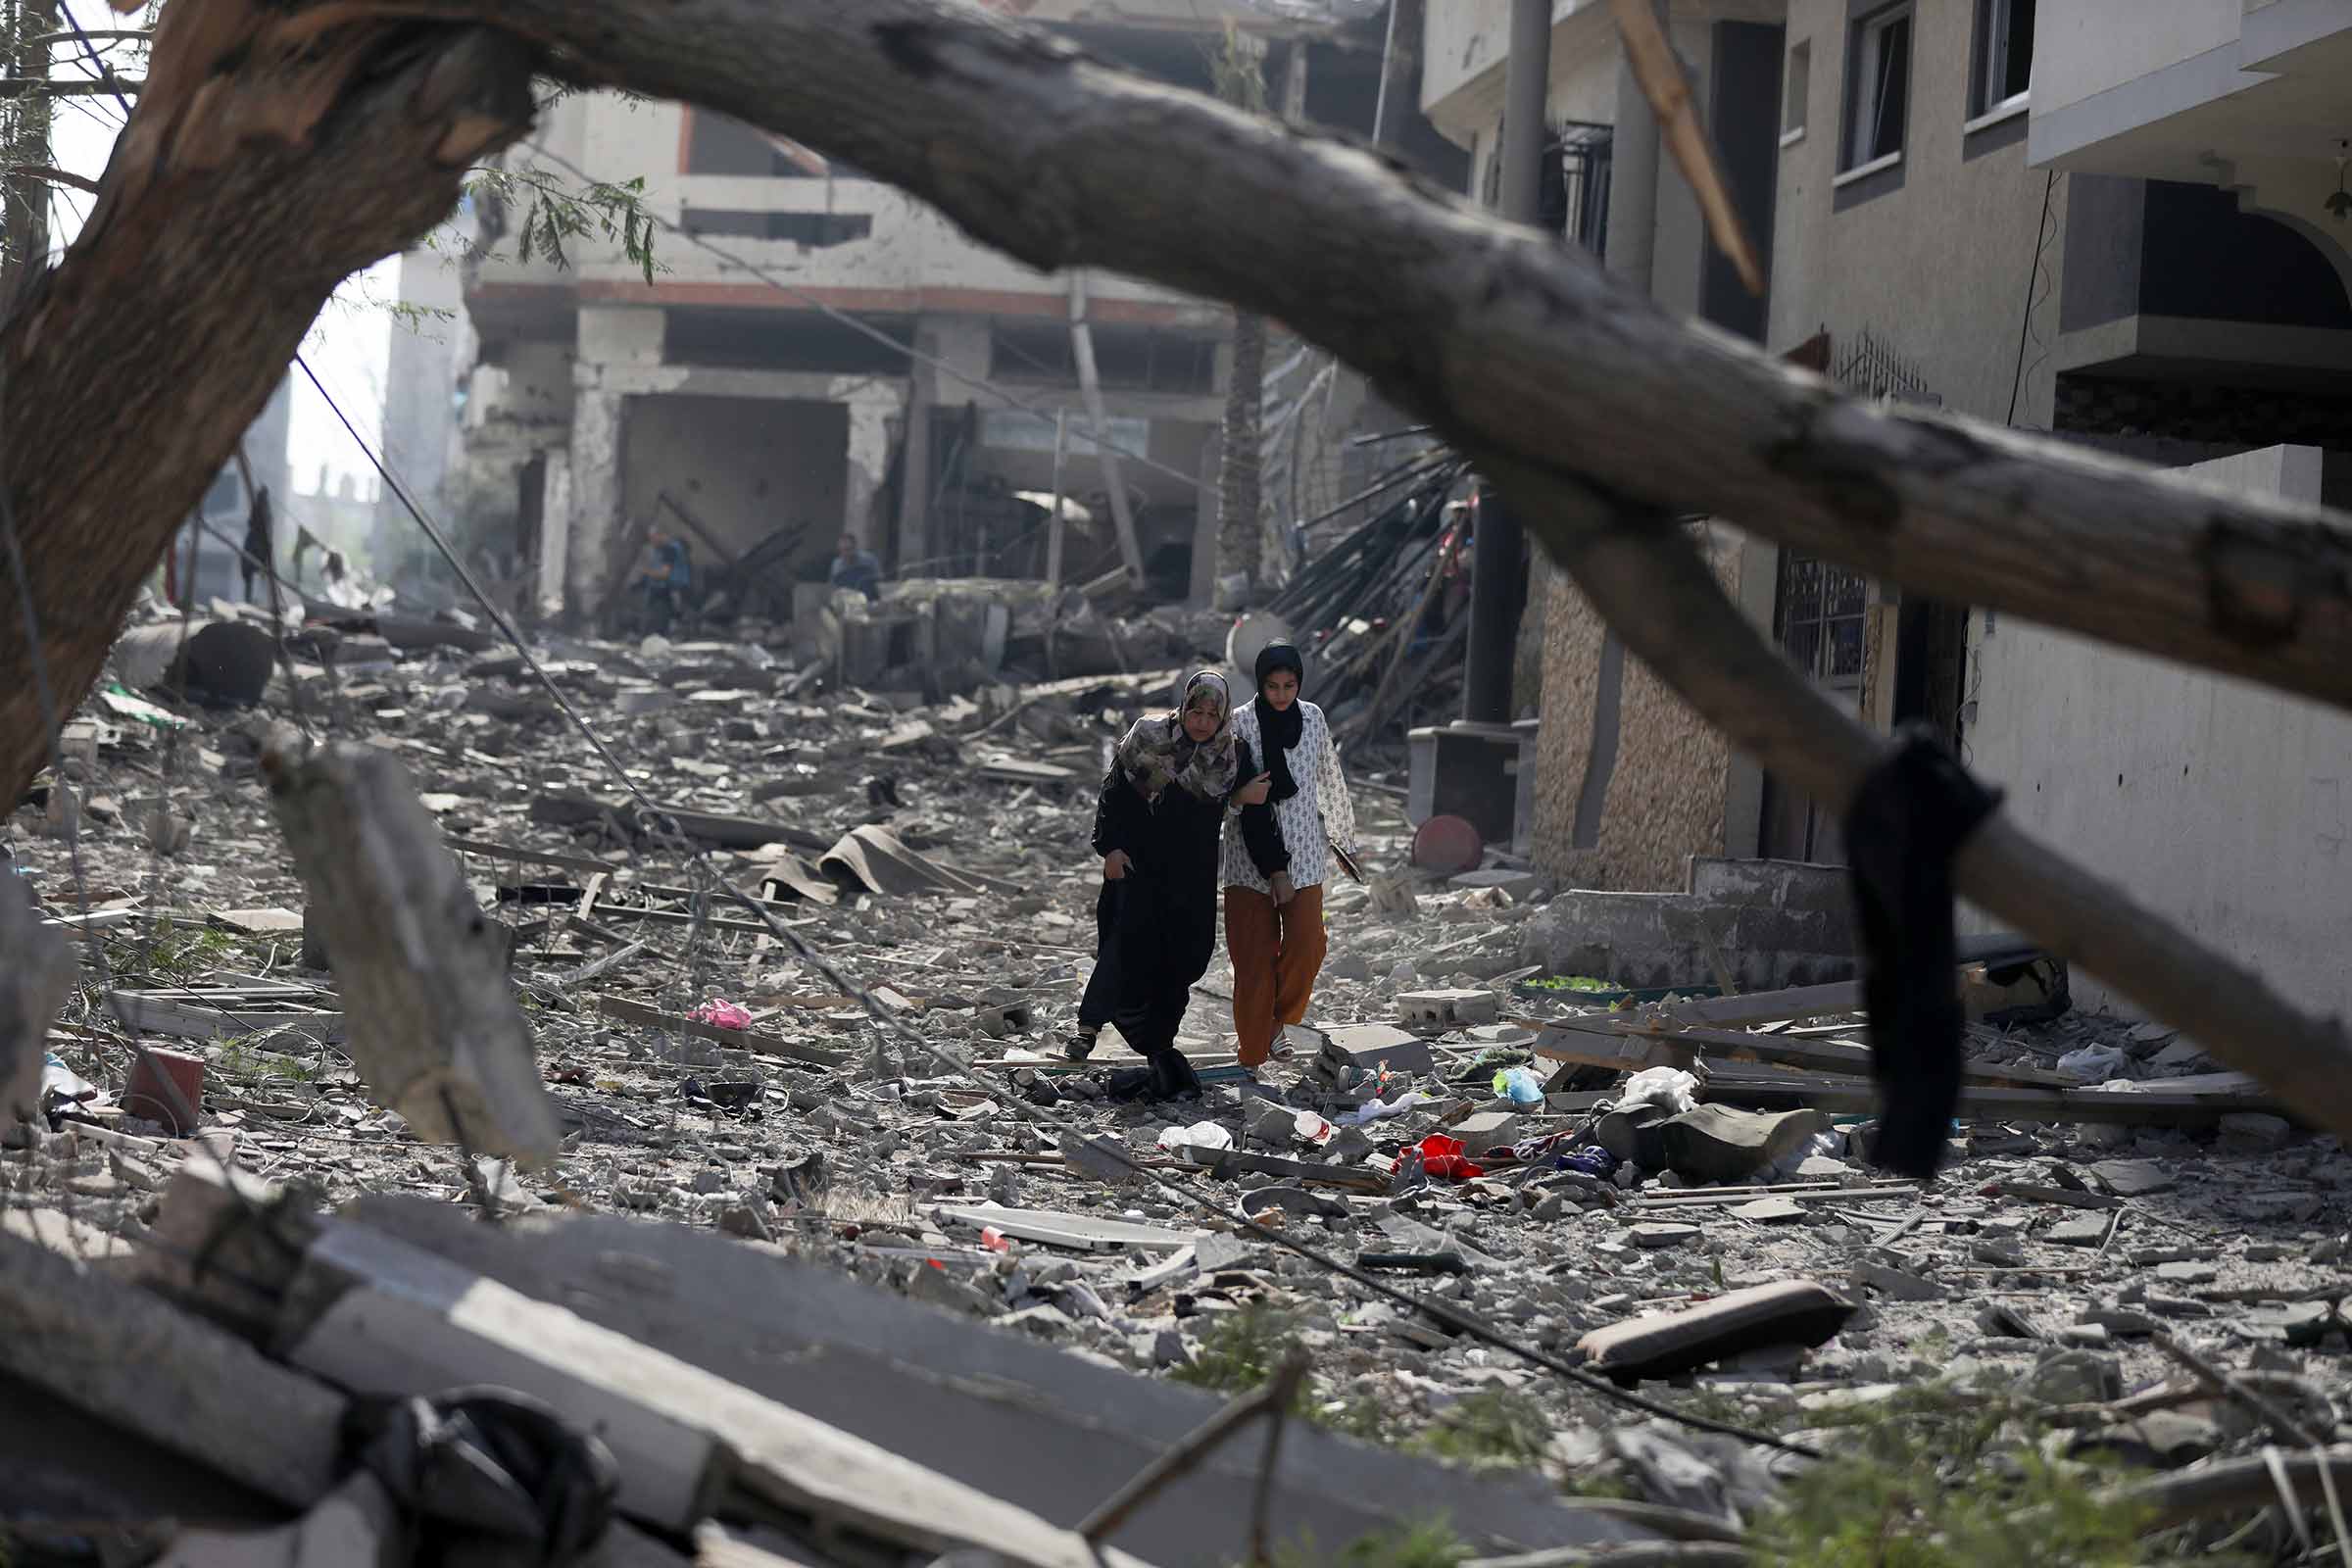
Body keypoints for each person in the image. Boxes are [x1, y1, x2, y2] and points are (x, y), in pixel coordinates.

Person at [1081, 671, 1271, 1096]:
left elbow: (1256, 804)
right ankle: (1086, 1028)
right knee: (1126, 943)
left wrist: (1274, 869)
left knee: (1184, 960)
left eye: (1211, 714)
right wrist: (1109, 848)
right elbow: (1113, 792)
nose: (1202, 722)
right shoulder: (1147, 736)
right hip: (1137, 865)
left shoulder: (1232, 755)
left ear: (1222, 717)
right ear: (1183, 707)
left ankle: (1158, 1049)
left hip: (1191, 879)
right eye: (1195, 711)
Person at [1224, 639, 1361, 1073]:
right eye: (1273, 686)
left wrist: (1342, 840)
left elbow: (1329, 777)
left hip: (1303, 854)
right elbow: (1231, 788)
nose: (1281, 694)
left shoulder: (1312, 717)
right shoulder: (1241, 723)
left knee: (1308, 944)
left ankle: (1276, 1020)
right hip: (1249, 858)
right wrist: (1239, 799)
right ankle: (1251, 1059)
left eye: (1289, 685)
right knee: (1253, 960)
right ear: (1260, 685)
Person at [634, 527, 693, 634]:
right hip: (668, 590)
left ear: (661, 536)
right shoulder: (667, 550)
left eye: (653, 538)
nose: (652, 542)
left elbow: (664, 574)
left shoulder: (669, 550)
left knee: (662, 621)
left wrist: (645, 572)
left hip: (669, 590)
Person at [240, 486, 274, 603]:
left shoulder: (265, 510)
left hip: (259, 545)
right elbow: (252, 522)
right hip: (256, 544)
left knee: (257, 578)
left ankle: (253, 602)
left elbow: (261, 525)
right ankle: (249, 602)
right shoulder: (262, 508)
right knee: (251, 578)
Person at [830, 531, 883, 601]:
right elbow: (834, 587)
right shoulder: (837, 565)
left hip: (869, 599)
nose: (846, 554)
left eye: (849, 549)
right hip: (848, 601)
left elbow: (880, 580)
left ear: (855, 547)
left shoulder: (869, 560)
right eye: (842, 550)